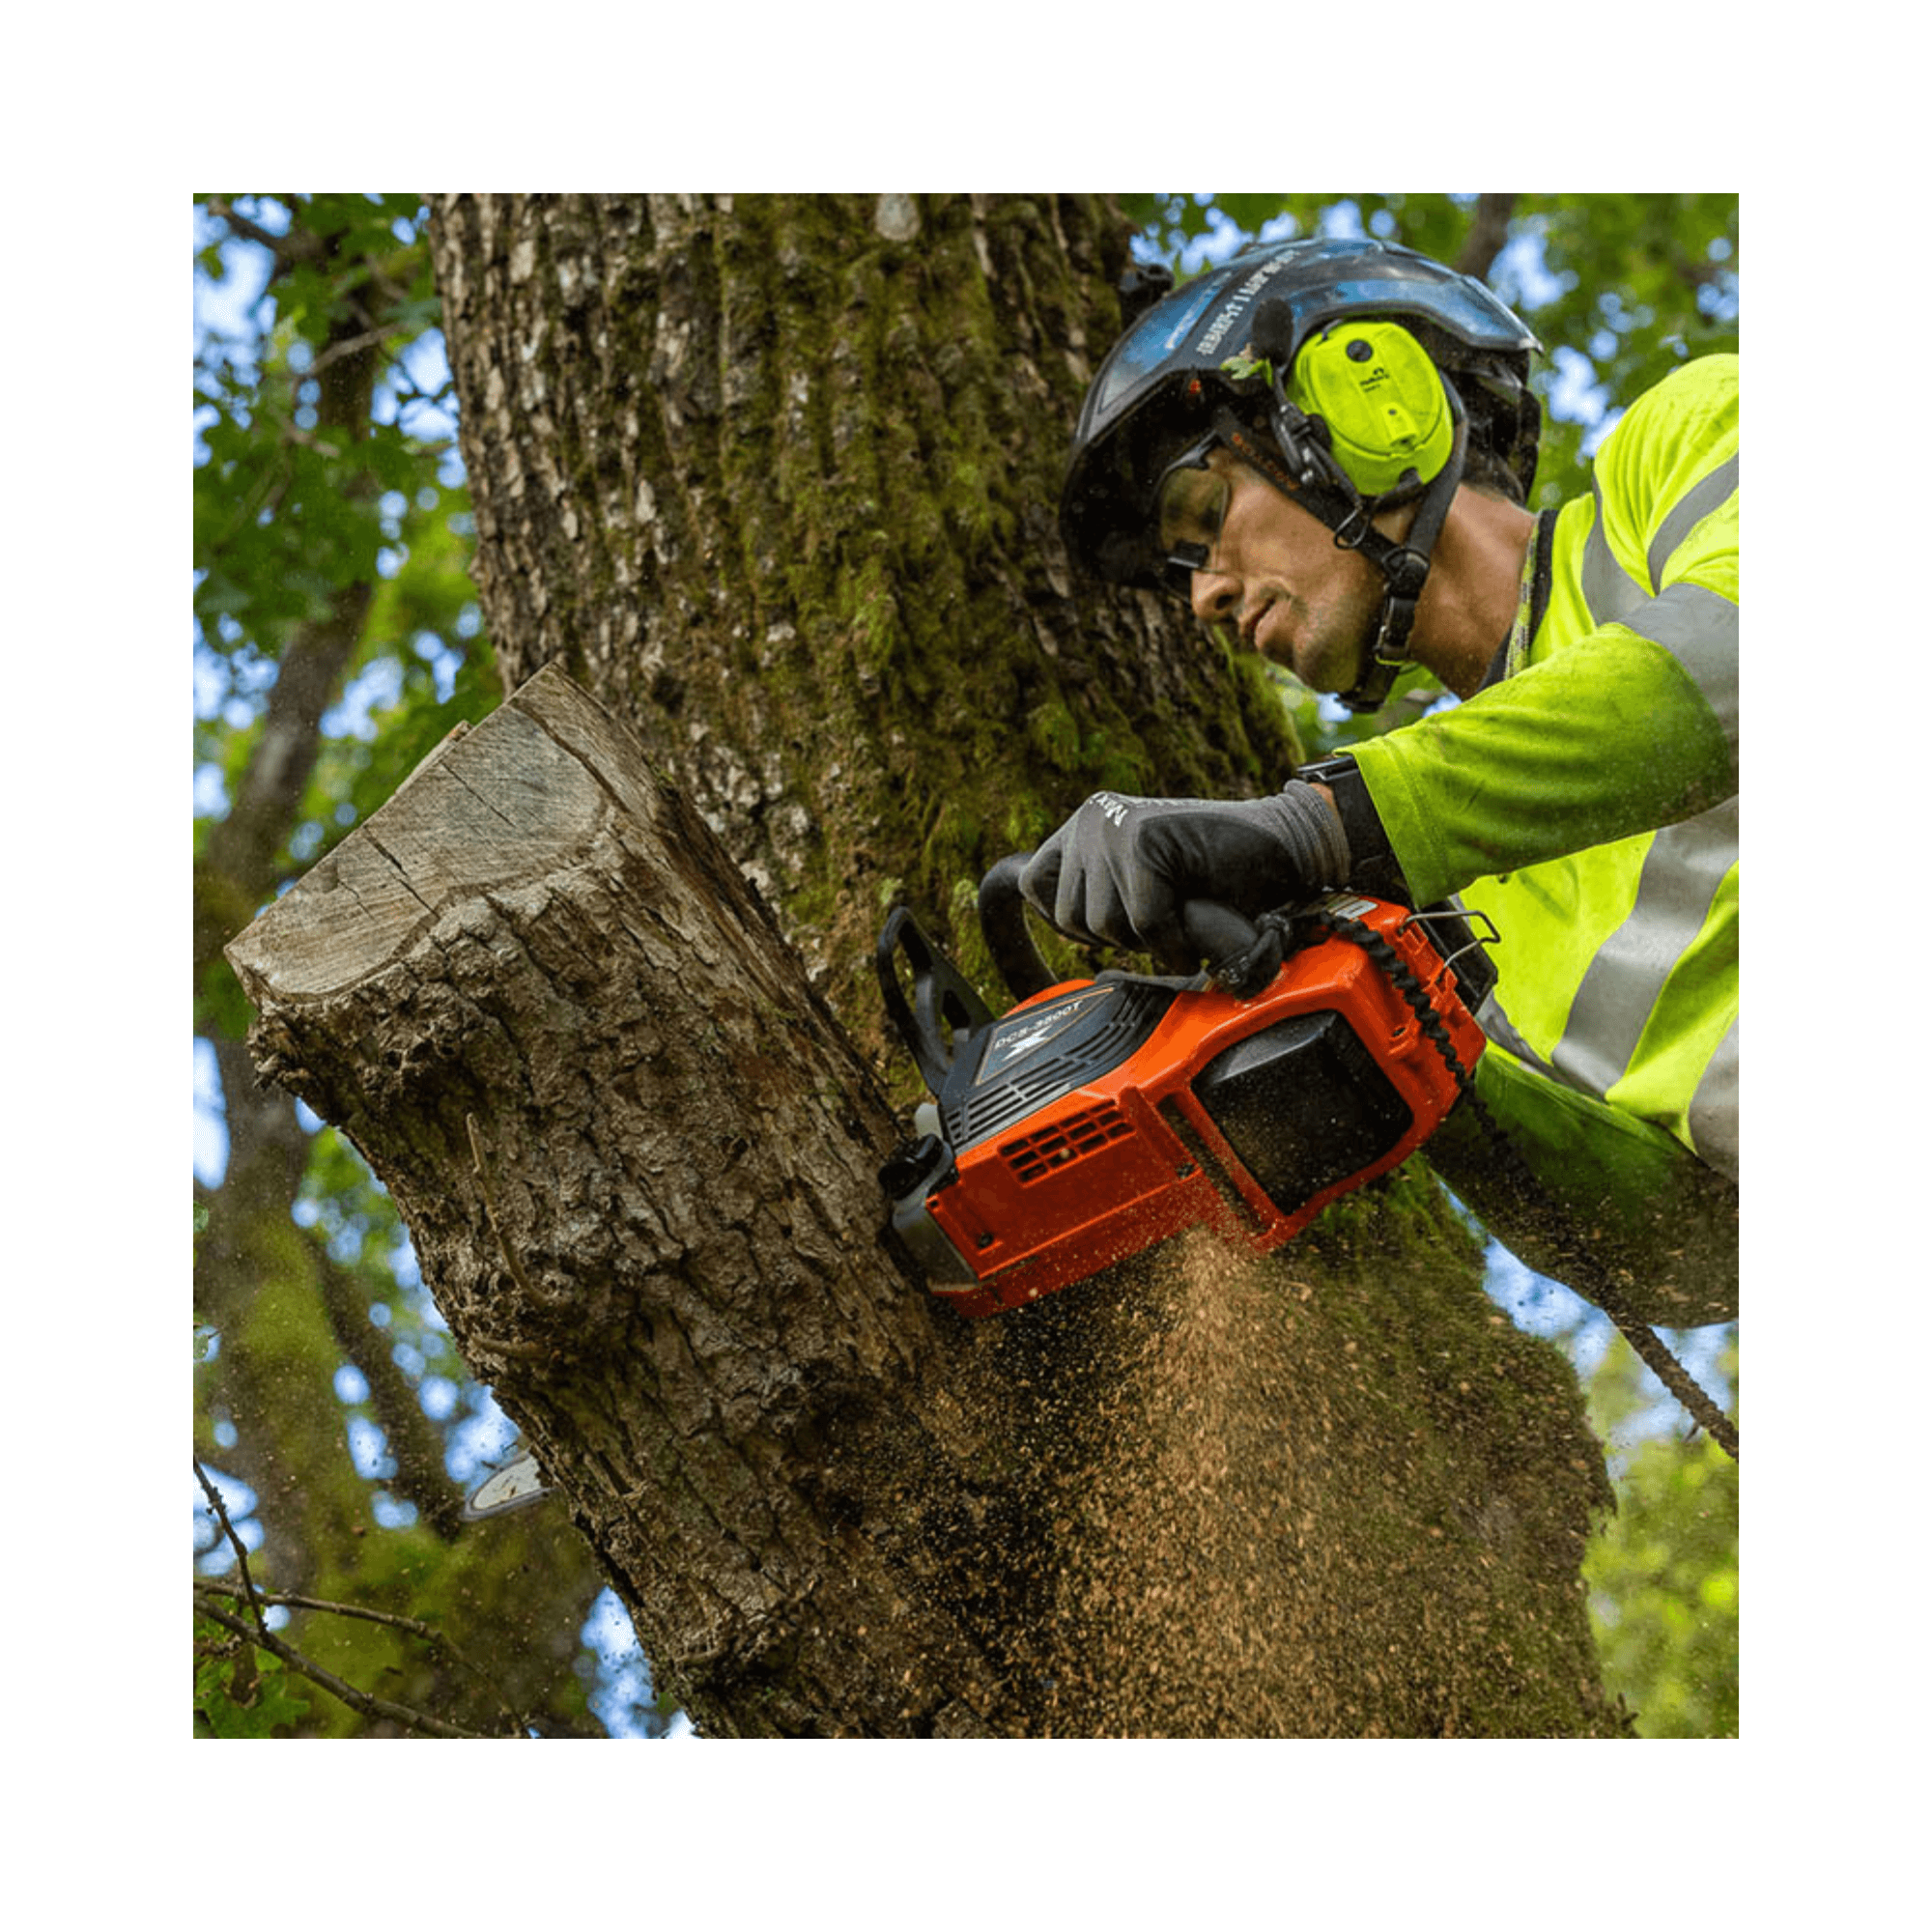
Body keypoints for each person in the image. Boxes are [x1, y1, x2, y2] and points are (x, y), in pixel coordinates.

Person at [1028, 236, 1737, 1326]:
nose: (1202, 597)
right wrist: (1389, 1025)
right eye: (1182, 572)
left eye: (1202, 513)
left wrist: (1321, 824)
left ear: (1375, 402)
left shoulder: (1680, 447)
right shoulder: (1454, 918)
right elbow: (1697, 1257)